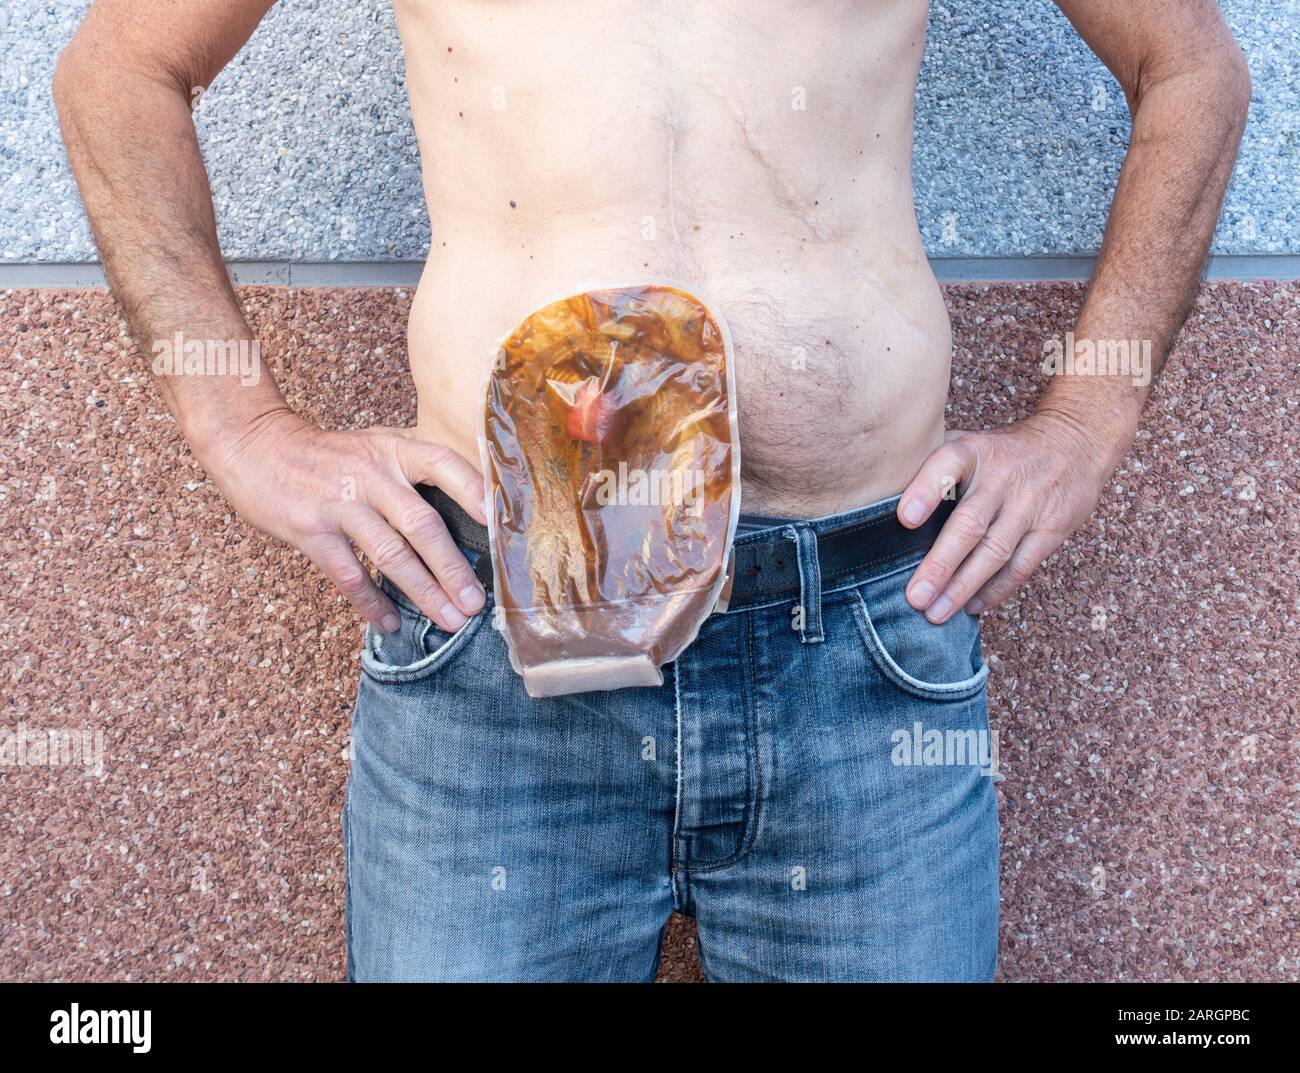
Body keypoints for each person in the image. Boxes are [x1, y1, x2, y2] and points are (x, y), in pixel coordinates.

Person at [53, 0, 1250, 981]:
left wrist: (1088, 417)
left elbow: (1187, 65)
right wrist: (239, 421)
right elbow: (120, 67)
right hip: (495, 644)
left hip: (863, 643)